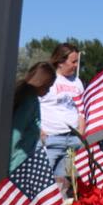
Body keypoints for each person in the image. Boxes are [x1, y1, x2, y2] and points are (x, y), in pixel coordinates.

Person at [40, 43, 85, 188]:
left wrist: (81, 133)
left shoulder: (77, 82)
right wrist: (40, 132)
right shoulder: (47, 79)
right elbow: (33, 106)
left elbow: (81, 110)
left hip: (72, 141)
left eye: (77, 61)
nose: (76, 65)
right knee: (43, 183)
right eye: (73, 61)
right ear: (60, 62)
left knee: (66, 184)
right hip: (51, 140)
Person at [10, 62, 56, 172]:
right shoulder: (29, 100)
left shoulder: (28, 96)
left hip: (21, 159)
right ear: (41, 82)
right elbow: (16, 132)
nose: (48, 91)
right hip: (16, 162)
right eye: (48, 87)